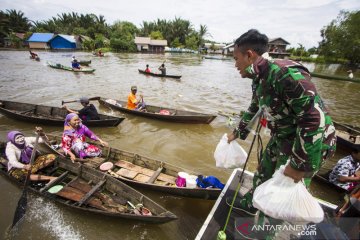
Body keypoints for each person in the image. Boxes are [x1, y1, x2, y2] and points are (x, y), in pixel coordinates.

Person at [226, 29, 336, 216]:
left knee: (283, 196)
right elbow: (254, 107)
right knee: (263, 171)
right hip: (284, 136)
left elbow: (313, 118)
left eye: (236, 58)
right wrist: (237, 133)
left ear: (250, 55)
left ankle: (266, 232)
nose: (235, 64)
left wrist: (299, 164)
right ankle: (252, 204)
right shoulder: (259, 78)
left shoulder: (284, 73)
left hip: (309, 142)